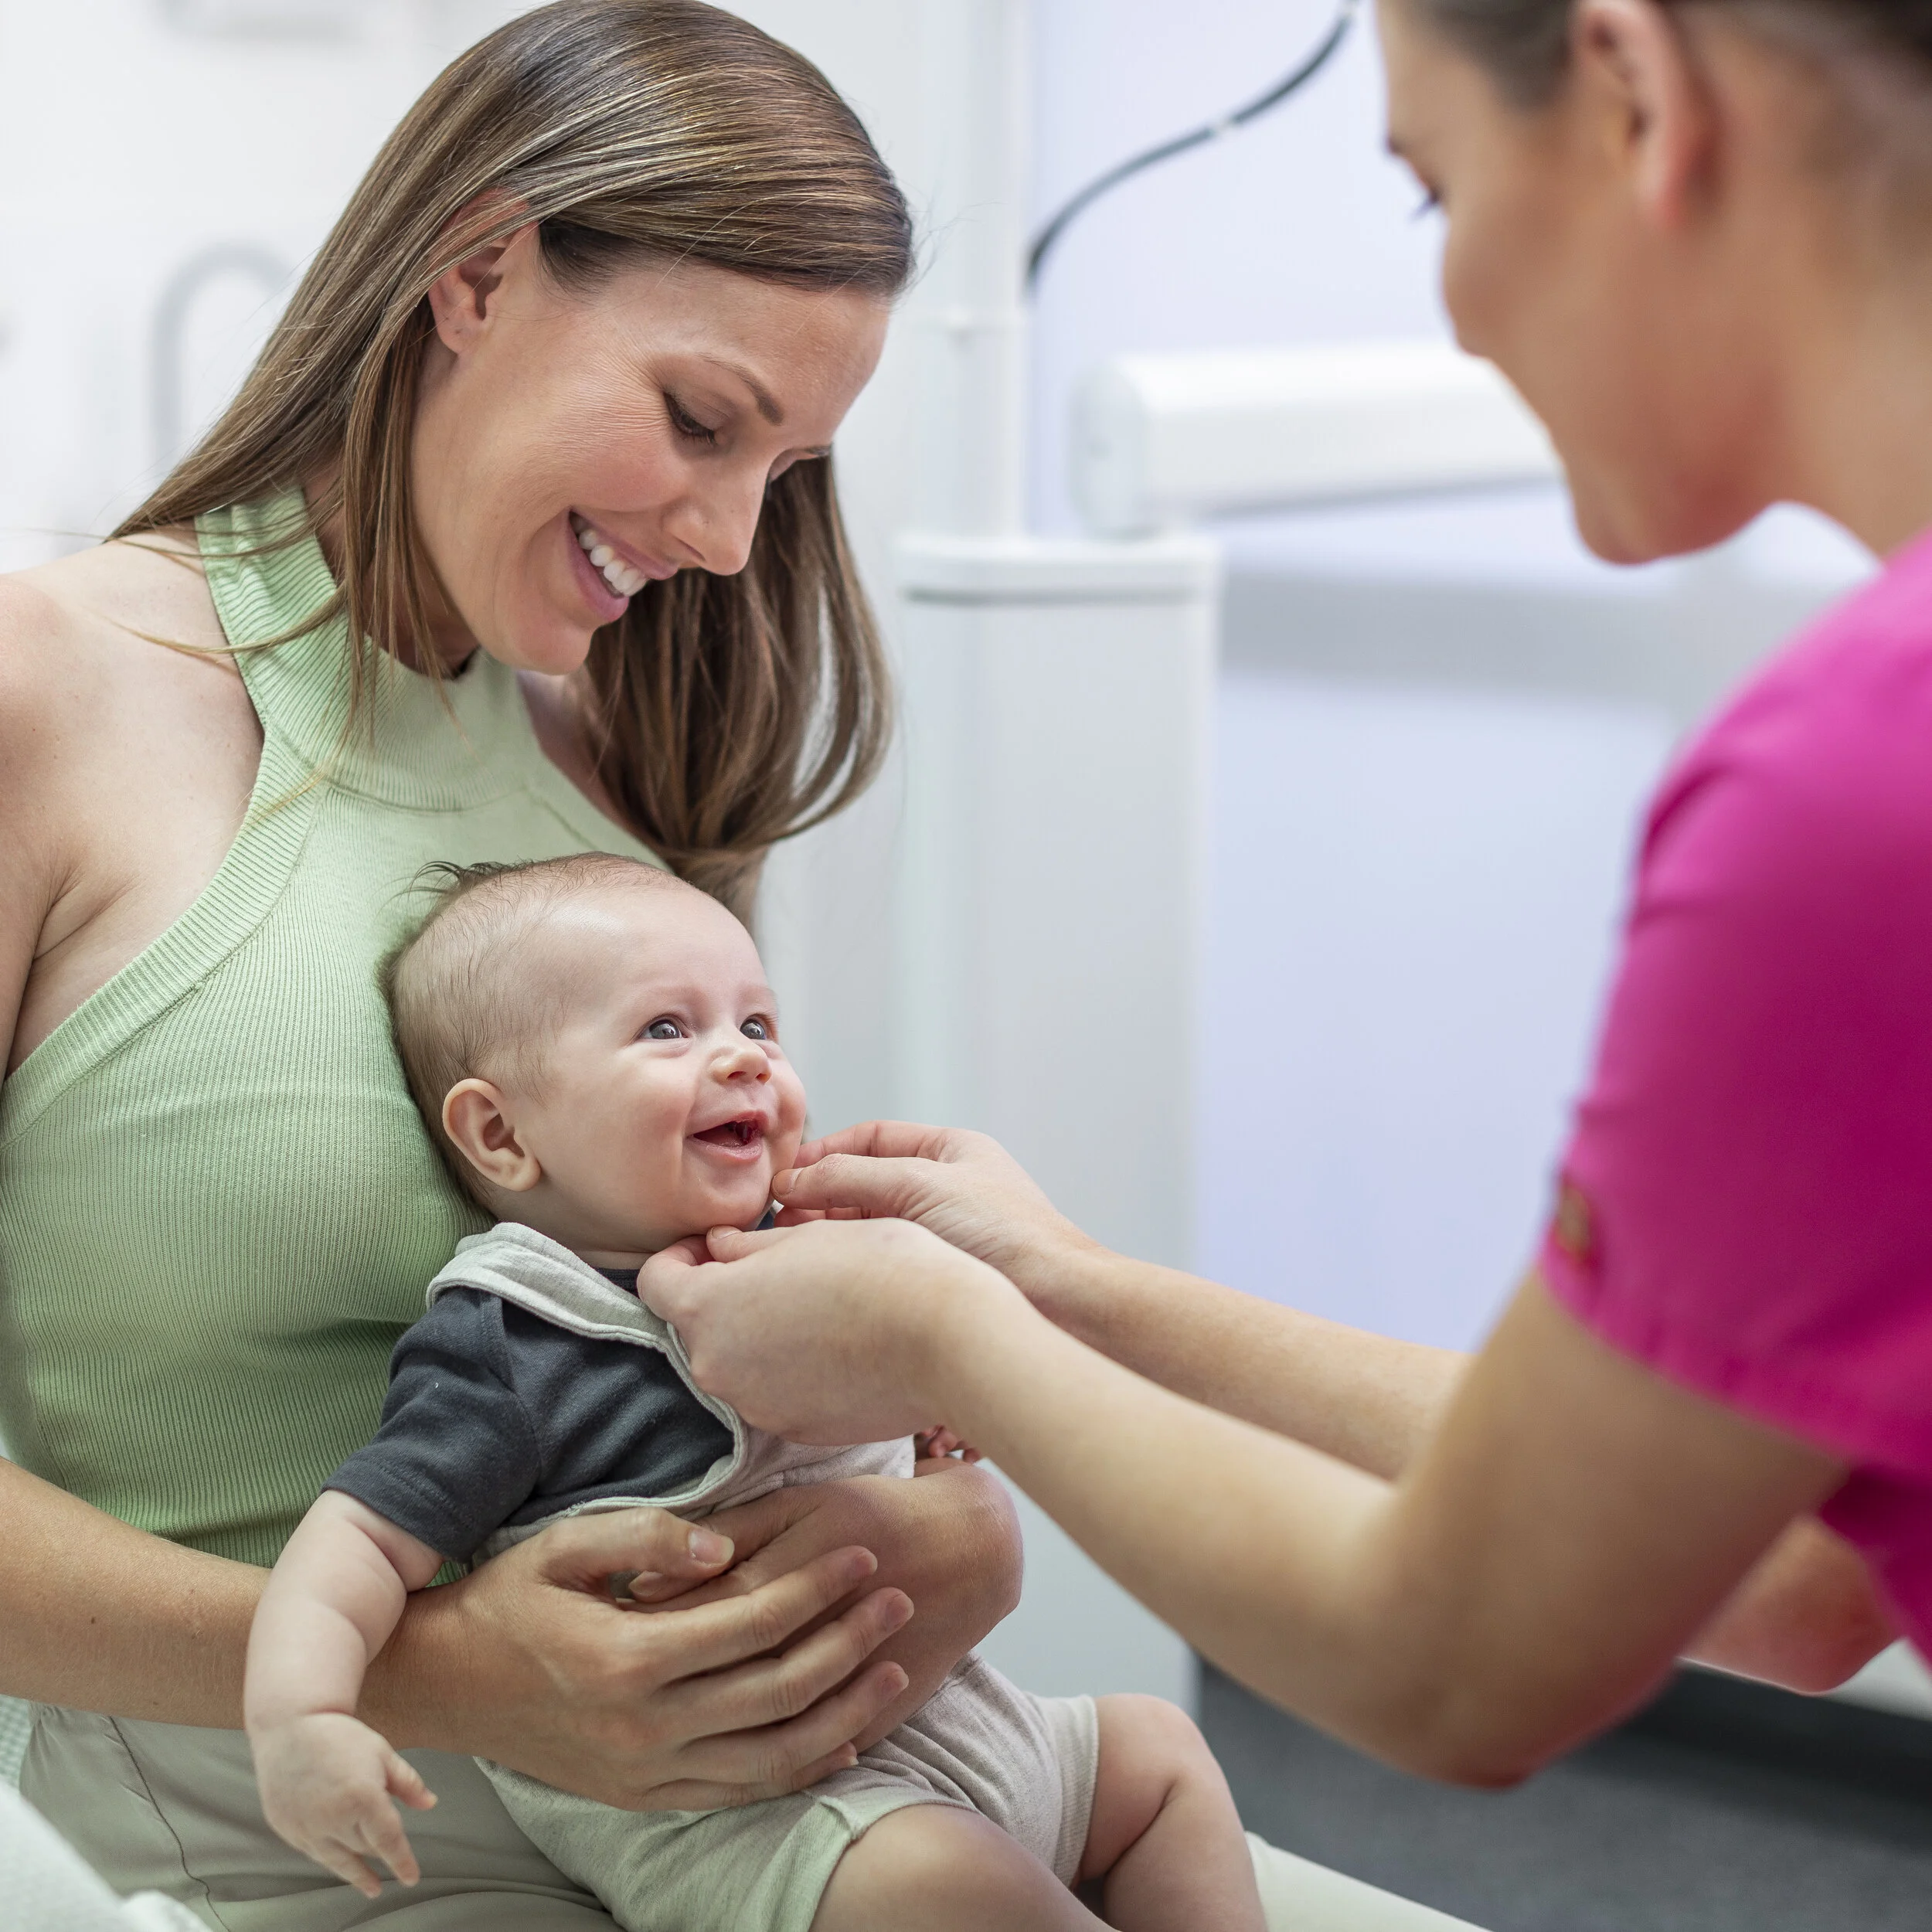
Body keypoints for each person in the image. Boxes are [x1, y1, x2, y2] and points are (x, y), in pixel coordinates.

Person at [639, 0, 1932, 1801]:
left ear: (1634, 93)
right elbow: (1793, 1576)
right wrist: (1071, 1287)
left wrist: (950, 1336)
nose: (1457, 306)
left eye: (1432, 193)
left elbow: (1453, 1652)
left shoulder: (1849, 789)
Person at [0, 6, 1021, 1924]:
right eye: (700, 421)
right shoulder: (47, 698)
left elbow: (708, 1319)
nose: (726, 536)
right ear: (474, 274)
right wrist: (435, 1667)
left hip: (684, 1797)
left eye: (785, 467)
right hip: (253, 1805)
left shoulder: (618, 767)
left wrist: (939, 1539)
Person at [243, 853, 1264, 1932]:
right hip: (751, 1820)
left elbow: (917, 1412)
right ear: (501, 1133)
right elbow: (356, 1542)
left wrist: (935, 1421)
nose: (743, 1059)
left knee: (1160, 1755)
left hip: (964, 1720)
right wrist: (302, 1716)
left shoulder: (812, 1259)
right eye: (667, 1030)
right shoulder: (517, 1338)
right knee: (944, 1887)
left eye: (760, 1025)